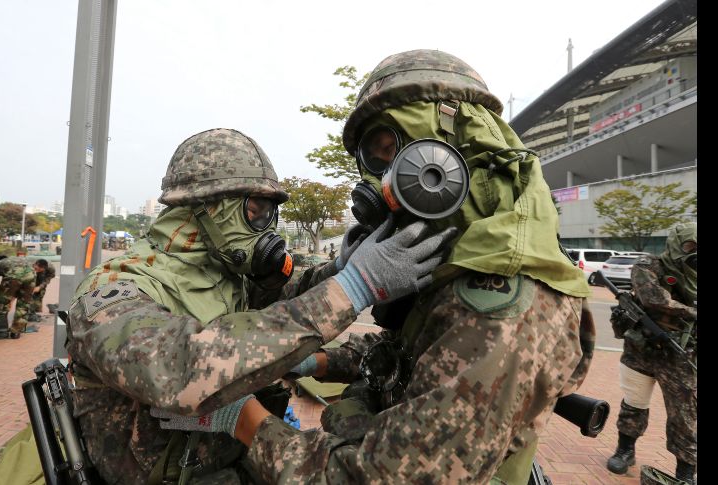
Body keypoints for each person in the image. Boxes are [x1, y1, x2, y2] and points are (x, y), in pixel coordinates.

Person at [216, 49, 595, 485]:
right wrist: (317, 363)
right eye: (373, 161)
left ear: (449, 149)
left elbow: (375, 477)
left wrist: (246, 421)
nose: (383, 180)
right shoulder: (466, 255)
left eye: (389, 150)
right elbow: (411, 352)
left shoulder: (502, 304)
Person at [65, 128, 455, 484]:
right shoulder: (115, 289)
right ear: (205, 207)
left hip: (229, 464)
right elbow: (179, 367)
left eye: (271, 212)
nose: (266, 228)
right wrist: (351, 288)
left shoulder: (221, 274)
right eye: (255, 212)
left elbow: (272, 314)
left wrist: (337, 270)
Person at [606, 222, 697, 484]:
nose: (693, 253)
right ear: (675, 244)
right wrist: (691, 311)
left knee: (685, 414)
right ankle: (625, 451)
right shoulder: (649, 265)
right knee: (634, 403)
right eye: (689, 246)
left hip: (683, 357)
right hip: (642, 349)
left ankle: (686, 472)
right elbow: (654, 299)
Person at [0, 255, 35, 339]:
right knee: (23, 306)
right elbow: (21, 280)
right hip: (31, 276)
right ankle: (16, 332)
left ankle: (0, 331)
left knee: (1, 304)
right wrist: (11, 300)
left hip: (13, 278)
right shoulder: (17, 260)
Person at [26, 259, 56, 323]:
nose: (37, 271)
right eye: (37, 269)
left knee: (39, 295)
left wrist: (40, 287)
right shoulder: (28, 266)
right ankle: (27, 313)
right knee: (27, 295)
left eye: (40, 270)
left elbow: (49, 278)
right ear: (35, 265)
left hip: (41, 279)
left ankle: (32, 312)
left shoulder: (50, 268)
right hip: (29, 278)